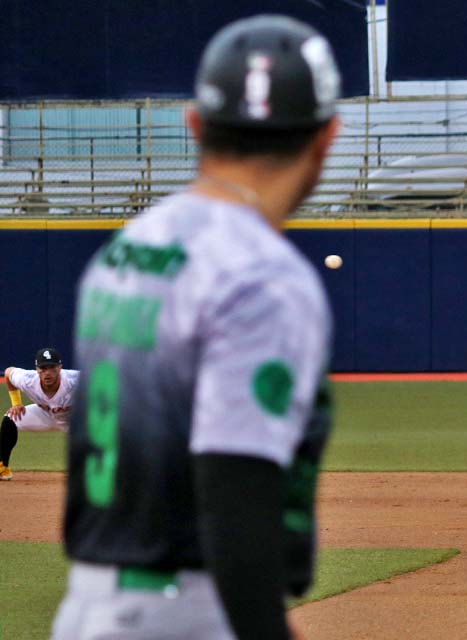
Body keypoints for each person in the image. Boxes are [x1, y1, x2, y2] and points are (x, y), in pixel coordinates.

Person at [53, 15, 341, 640]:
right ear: (328, 136)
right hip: (187, 610)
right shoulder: (262, 275)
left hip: (88, 607)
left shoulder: (128, 248)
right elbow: (235, 498)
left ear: (194, 125)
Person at [2, 348, 80, 480]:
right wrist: (16, 403)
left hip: (75, 420)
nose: (47, 373)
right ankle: (2, 467)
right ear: (37, 369)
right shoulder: (28, 380)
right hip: (46, 415)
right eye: (43, 368)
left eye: (52, 368)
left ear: (60, 367)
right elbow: (8, 372)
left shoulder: (75, 380)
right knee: (10, 419)